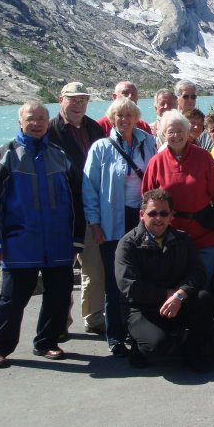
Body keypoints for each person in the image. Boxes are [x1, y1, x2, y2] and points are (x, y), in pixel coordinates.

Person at [0, 101, 84, 368]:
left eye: (41, 118)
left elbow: (78, 200)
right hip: (20, 242)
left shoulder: (60, 155)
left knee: (59, 295)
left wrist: (76, 238)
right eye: (30, 118)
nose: (36, 123)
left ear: (47, 122)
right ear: (20, 122)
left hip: (58, 241)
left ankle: (46, 342)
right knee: (12, 298)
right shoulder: (5, 156)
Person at [83, 98, 157, 357]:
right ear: (112, 118)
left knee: (145, 277)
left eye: (128, 114)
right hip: (112, 221)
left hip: (144, 220)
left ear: (136, 116)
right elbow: (89, 188)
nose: (124, 119)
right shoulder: (101, 147)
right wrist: (94, 222)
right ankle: (115, 335)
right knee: (115, 282)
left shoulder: (149, 143)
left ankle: (140, 331)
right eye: (119, 115)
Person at [115, 189, 213, 372]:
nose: (158, 218)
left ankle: (191, 351)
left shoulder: (183, 239)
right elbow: (129, 286)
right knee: (157, 347)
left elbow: (198, 273)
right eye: (153, 213)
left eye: (163, 213)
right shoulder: (128, 244)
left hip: (176, 302)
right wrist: (169, 295)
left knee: (204, 299)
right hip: (141, 308)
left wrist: (180, 294)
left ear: (171, 216)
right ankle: (139, 346)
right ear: (142, 215)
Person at [141, 110, 214, 285]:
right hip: (169, 236)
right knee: (176, 287)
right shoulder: (156, 162)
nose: (176, 136)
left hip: (203, 234)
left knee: (203, 286)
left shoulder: (203, 157)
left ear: (187, 132)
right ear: (163, 134)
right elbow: (146, 199)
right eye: (171, 132)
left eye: (180, 131)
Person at [47, 81, 106, 336]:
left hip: (91, 211)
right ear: (61, 99)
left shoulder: (94, 128)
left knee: (94, 268)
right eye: (73, 99)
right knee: (60, 272)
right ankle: (59, 323)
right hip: (62, 212)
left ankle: (93, 319)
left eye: (83, 99)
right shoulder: (49, 130)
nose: (78, 104)